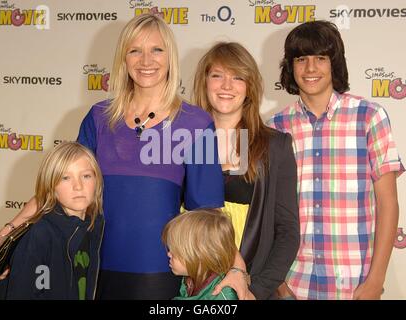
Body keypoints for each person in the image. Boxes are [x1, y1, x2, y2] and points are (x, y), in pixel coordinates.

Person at [0, 13, 247, 300]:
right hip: (89, 265)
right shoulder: (99, 117)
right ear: (123, 59)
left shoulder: (195, 123)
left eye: (156, 50)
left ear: (170, 57)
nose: (146, 60)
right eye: (134, 50)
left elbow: (209, 214)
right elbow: (59, 186)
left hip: (159, 272)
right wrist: (13, 232)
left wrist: (237, 267)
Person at [267, 20, 405, 300]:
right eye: (301, 59)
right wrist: (279, 283)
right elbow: (268, 211)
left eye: (321, 58)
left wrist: (376, 281)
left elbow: (388, 203)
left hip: (354, 285)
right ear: (290, 66)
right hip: (294, 283)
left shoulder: (369, 116)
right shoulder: (275, 127)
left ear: (335, 63)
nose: (310, 68)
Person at [193, 42, 300, 300]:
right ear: (204, 82)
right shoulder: (185, 141)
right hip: (190, 288)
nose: (227, 86)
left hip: (249, 289)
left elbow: (287, 231)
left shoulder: (275, 146)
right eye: (217, 75)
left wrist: (254, 291)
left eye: (238, 77)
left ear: (249, 86)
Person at [0, 141, 104, 300]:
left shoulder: (95, 223)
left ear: (97, 180)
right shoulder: (40, 233)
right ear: (51, 187)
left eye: (86, 176)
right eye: (66, 178)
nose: (78, 186)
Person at [162, 209, 238, 300]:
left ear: (200, 256)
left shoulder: (222, 296)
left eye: (176, 250)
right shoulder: (191, 279)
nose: (169, 254)